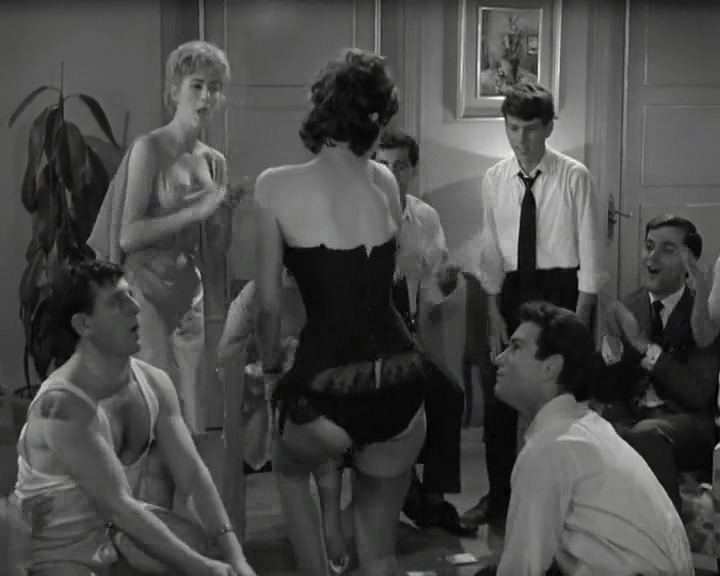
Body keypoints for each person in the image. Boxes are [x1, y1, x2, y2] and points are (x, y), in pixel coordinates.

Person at [253, 49, 427, 576]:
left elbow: (267, 306)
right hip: (402, 383)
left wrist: (270, 369)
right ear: (378, 120)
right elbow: (391, 276)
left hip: (329, 389)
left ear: (322, 109)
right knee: (380, 556)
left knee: (288, 469)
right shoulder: (386, 182)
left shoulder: (274, 185)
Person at [12, 260, 256, 576]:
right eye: (117, 302)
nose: (135, 308)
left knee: (195, 542)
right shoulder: (62, 407)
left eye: (130, 295)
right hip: (50, 553)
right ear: (83, 325)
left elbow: (193, 476)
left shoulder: (154, 382)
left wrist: (236, 557)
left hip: (107, 534)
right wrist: (208, 570)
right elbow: (119, 507)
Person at [463, 81, 606, 527]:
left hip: (563, 290)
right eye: (512, 128)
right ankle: (500, 500)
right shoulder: (494, 179)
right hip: (511, 291)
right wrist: (492, 311)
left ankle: (568, 504)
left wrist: (578, 323)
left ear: (548, 128)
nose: (520, 139)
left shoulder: (574, 176)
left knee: (563, 399)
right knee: (501, 397)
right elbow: (491, 248)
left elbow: (591, 253)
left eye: (530, 129)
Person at [475, 302, 692, 576]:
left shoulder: (551, 447)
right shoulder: (585, 426)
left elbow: (522, 569)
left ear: (551, 367)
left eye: (516, 347)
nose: (499, 358)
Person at [88, 40, 235, 434]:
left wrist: (223, 219)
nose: (207, 97)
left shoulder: (214, 161)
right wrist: (196, 211)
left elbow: (214, 253)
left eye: (215, 88)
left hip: (190, 293)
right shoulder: (149, 148)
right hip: (145, 292)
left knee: (192, 414)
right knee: (152, 413)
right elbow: (128, 235)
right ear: (174, 91)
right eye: (197, 85)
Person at [216, 270, 351, 573]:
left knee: (322, 446)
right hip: (262, 397)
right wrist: (265, 359)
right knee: (290, 452)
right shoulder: (255, 294)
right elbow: (226, 353)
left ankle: (330, 528)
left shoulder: (329, 284)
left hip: (316, 395)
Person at [375, 130, 475, 536]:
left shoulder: (424, 218)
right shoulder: (355, 214)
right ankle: (405, 489)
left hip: (406, 334)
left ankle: (433, 497)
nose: (390, 174)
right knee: (392, 397)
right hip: (363, 338)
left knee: (447, 393)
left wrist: (444, 281)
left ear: (413, 171)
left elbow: (432, 290)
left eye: (399, 166)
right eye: (382, 165)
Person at [597, 215, 720, 513]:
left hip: (688, 424)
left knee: (647, 434)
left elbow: (698, 395)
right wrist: (609, 351)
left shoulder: (705, 313)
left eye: (667, 249)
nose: (652, 257)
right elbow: (609, 388)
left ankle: (667, 530)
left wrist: (642, 345)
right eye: (649, 246)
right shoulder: (627, 306)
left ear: (689, 262)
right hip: (635, 418)